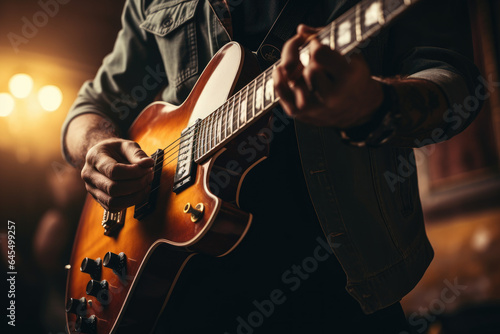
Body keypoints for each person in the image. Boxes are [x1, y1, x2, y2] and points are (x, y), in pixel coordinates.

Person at [61, 0, 482, 332]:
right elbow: (88, 108)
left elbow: (456, 81)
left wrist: (372, 105)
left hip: (335, 292)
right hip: (177, 299)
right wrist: (95, 147)